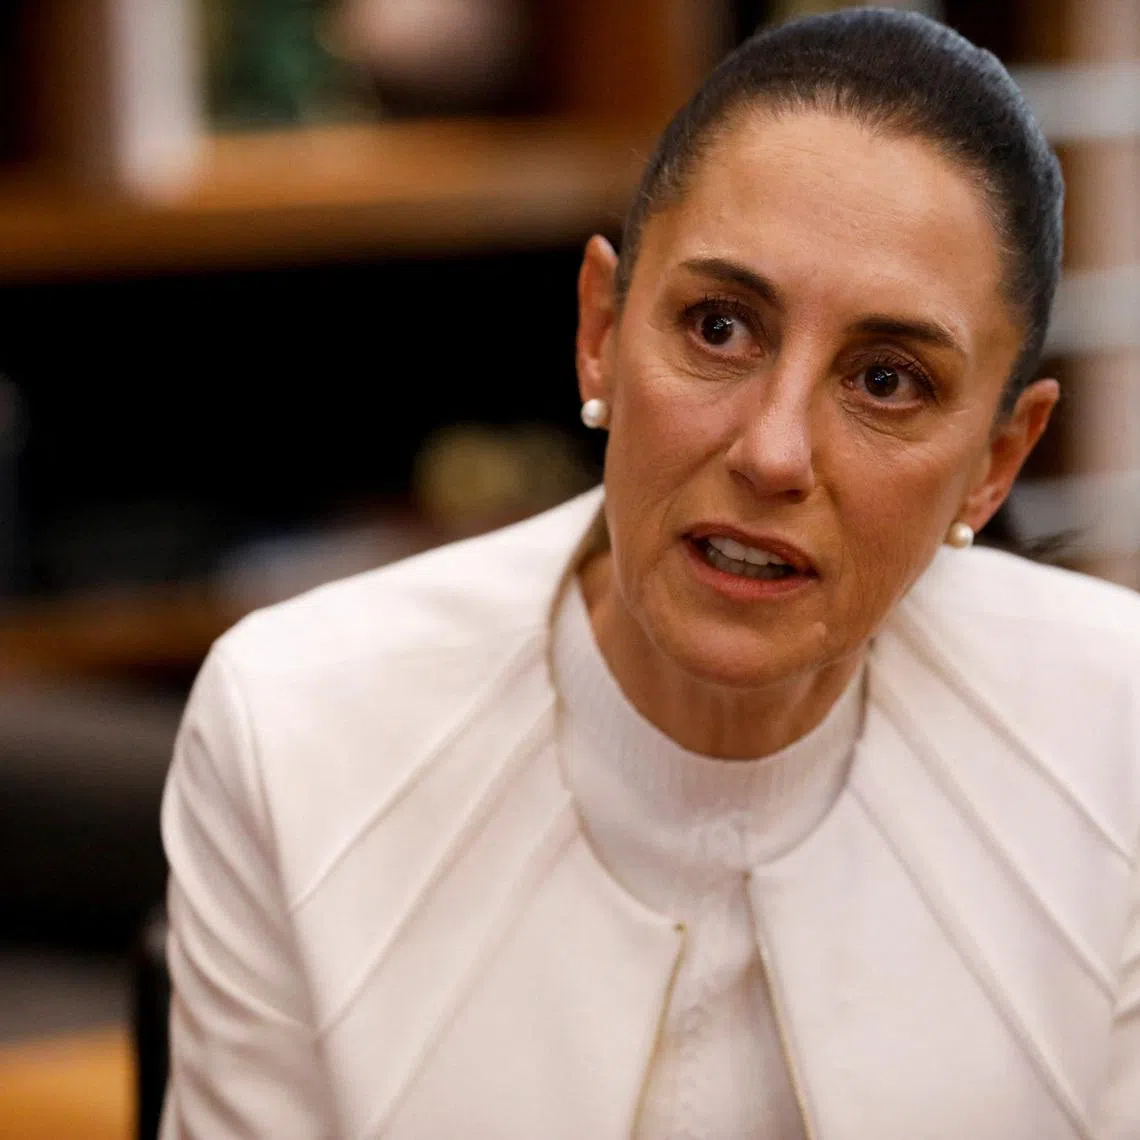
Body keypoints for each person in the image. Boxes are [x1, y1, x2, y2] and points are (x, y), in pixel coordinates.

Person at [159, 9, 1140, 1139]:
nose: (774, 452)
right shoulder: (294, 731)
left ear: (995, 464)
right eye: (720, 327)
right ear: (601, 331)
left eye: (886, 382)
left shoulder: (1115, 734)